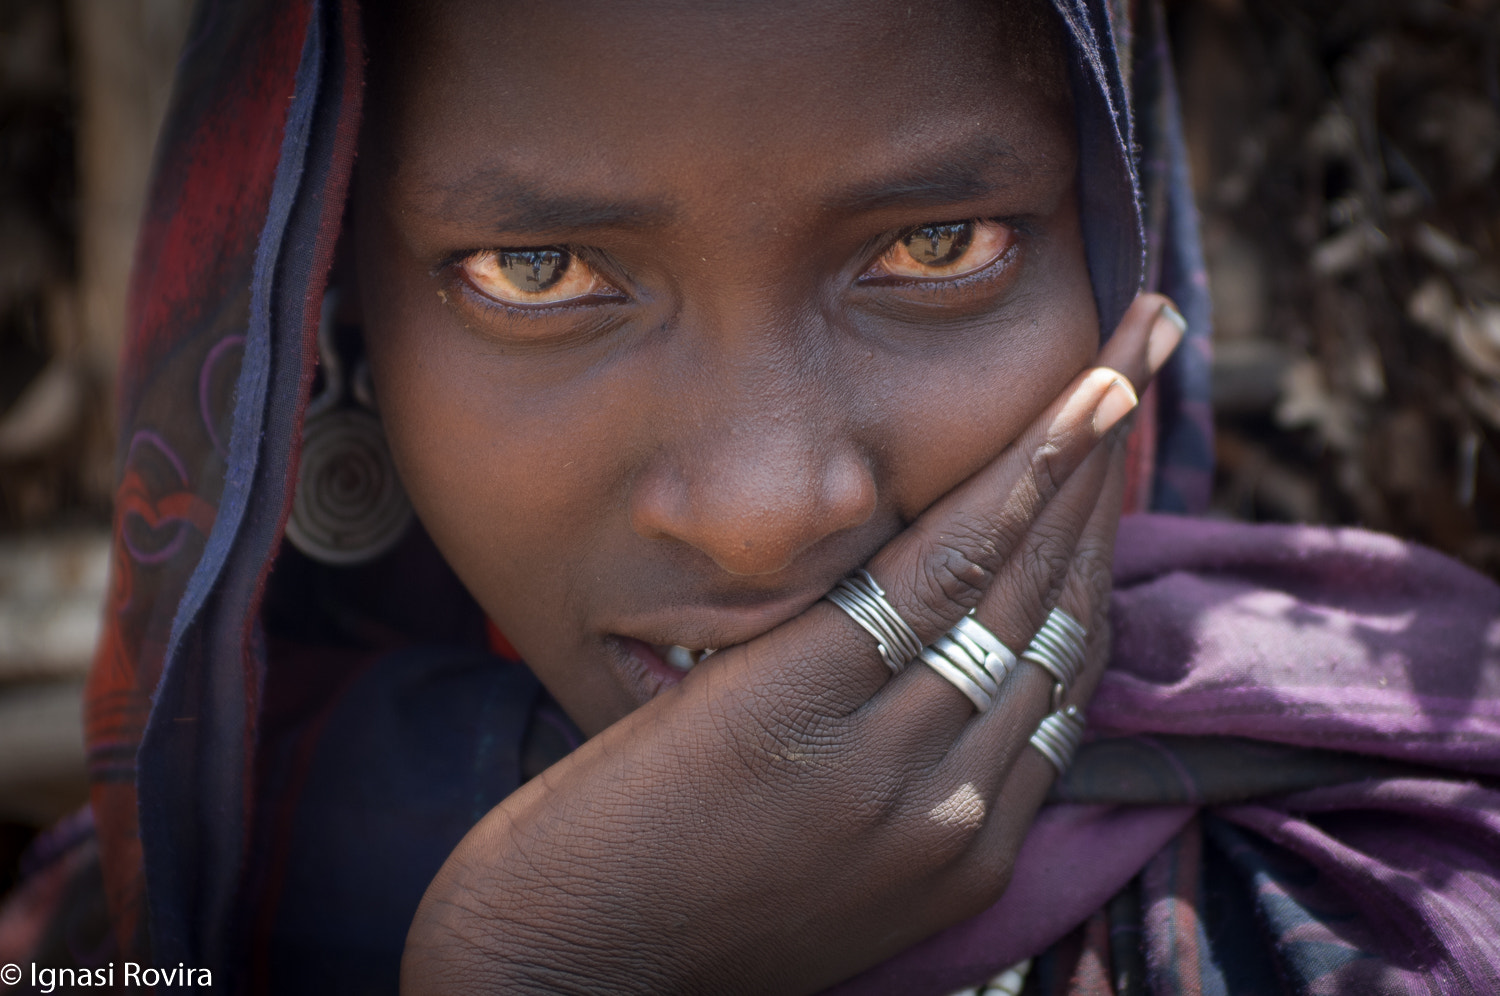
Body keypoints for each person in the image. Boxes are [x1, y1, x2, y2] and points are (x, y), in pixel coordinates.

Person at [2, 0, 1497, 993]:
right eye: (544, 271)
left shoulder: (1389, 910)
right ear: (332, 324)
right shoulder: (141, 918)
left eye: (937, 246)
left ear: (1120, 246)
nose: (763, 512)